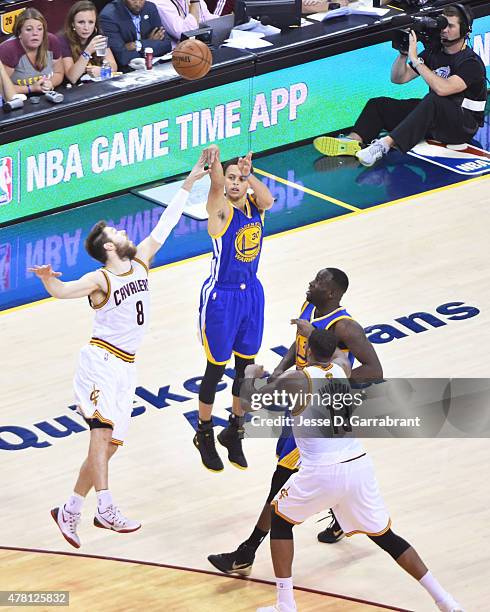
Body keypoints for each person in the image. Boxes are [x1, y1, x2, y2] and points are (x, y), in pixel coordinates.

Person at [29, 155, 208, 549]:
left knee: (107, 446)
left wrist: (190, 180)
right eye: (117, 231)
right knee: (101, 430)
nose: (126, 230)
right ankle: (106, 507)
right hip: (100, 360)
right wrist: (47, 280)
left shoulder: (141, 259)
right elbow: (62, 292)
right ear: (109, 247)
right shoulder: (99, 277)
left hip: (127, 367)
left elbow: (168, 223)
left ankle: (70, 509)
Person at [241, 328, 464, 612]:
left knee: (280, 519)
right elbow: (334, 353)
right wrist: (318, 336)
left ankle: (285, 605)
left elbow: (249, 403)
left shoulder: (298, 378)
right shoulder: (342, 368)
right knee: (386, 537)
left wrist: (251, 374)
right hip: (358, 465)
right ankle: (446, 602)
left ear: (307, 349)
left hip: (322, 470)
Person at [207, 267, 383, 575]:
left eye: (317, 282)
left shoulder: (346, 327)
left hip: (320, 413)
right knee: (319, 469)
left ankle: (245, 553)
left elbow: (374, 369)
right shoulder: (309, 309)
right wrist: (279, 369)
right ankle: (342, 519)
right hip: (301, 405)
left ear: (332, 293)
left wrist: (333, 382)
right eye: (313, 278)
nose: (310, 283)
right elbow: (298, 344)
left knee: (281, 482)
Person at [313, 4, 487, 167]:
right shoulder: (434, 52)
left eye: (450, 26)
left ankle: (383, 146)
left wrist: (416, 61)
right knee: (379, 105)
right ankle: (352, 141)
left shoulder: (471, 62)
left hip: (461, 127)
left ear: (465, 30)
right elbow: (399, 78)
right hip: (435, 118)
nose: (444, 30)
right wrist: (403, 55)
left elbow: (444, 89)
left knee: (433, 98)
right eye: (443, 25)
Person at [194, 144, 274, 473]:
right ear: (225, 182)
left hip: (251, 293)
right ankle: (204, 433)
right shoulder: (221, 211)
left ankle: (234, 429)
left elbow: (269, 199)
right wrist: (215, 164)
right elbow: (214, 187)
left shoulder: (257, 206)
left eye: (241, 178)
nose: (237, 182)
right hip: (221, 298)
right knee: (215, 371)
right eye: (232, 178)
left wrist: (251, 173)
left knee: (246, 370)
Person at [0, 8, 64, 95]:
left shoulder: (51, 41)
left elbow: (58, 73)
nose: (35, 33)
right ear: (19, 33)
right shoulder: (9, 50)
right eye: (29, 29)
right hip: (18, 99)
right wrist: (31, 88)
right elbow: (2, 88)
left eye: (39, 29)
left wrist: (51, 83)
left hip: (47, 96)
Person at [99, 0, 171, 68]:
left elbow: (167, 45)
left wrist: (139, 45)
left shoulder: (150, 7)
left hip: (155, 64)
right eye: (133, 0)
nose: (138, 3)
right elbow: (122, 57)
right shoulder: (109, 16)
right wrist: (151, 43)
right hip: (126, 70)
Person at [60, 1, 117, 84]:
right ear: (72, 24)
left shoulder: (98, 36)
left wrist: (102, 71)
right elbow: (72, 77)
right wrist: (88, 51)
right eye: (81, 22)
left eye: (91, 22)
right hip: (73, 90)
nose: (86, 28)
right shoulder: (62, 40)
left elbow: (114, 66)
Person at [152, 0, 218, 48]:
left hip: (198, 48)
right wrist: (194, 2)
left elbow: (208, 20)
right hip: (175, 57)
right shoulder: (159, 3)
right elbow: (186, 34)